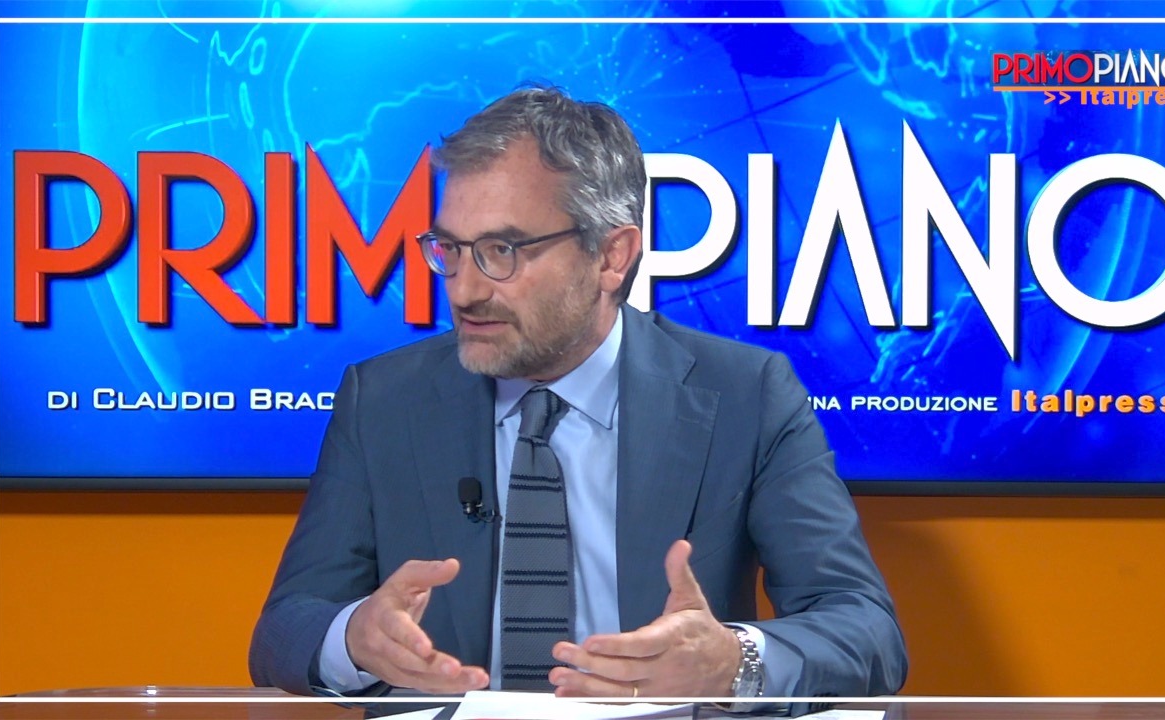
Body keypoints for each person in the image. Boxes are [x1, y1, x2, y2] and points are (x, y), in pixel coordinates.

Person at [249, 86, 907, 715]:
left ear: (612, 256)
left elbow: (865, 628)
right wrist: (355, 637)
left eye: (503, 250)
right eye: (450, 249)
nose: (465, 290)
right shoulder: (383, 401)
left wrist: (732, 662)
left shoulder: (745, 395)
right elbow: (283, 630)